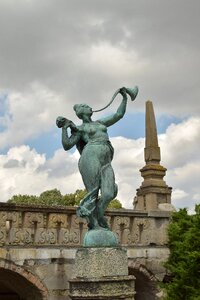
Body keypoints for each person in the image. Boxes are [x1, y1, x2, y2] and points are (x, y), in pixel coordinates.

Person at [56, 87, 129, 230]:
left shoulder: (100, 123)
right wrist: (65, 128)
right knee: (93, 192)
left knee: (109, 193)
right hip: (90, 157)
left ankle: (99, 214)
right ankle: (94, 223)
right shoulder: (80, 129)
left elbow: (118, 114)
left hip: (106, 160)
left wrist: (124, 98)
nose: (90, 107)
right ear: (81, 111)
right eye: (86, 106)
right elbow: (67, 145)